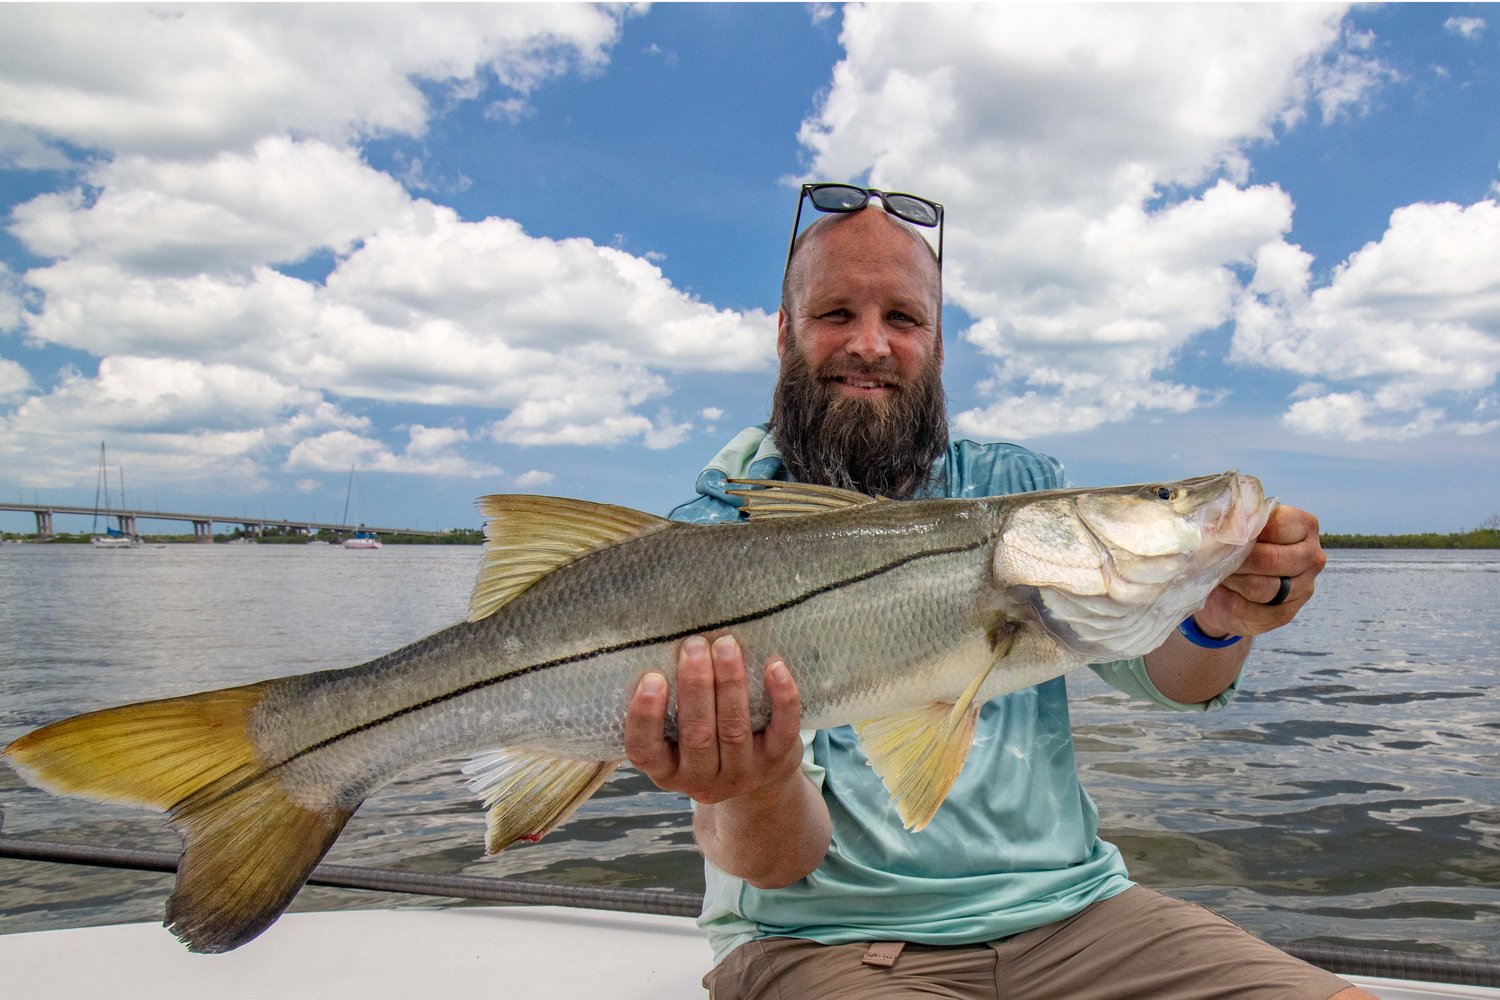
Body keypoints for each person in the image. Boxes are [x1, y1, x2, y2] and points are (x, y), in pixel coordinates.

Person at [623, 185, 1367, 1000]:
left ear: (938, 348)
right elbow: (776, 863)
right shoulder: (706, 541)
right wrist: (755, 784)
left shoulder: (1020, 485)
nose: (870, 345)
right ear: (784, 334)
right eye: (836, 313)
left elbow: (1173, 681)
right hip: (823, 942)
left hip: (1082, 920)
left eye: (903, 320)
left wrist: (1219, 619)